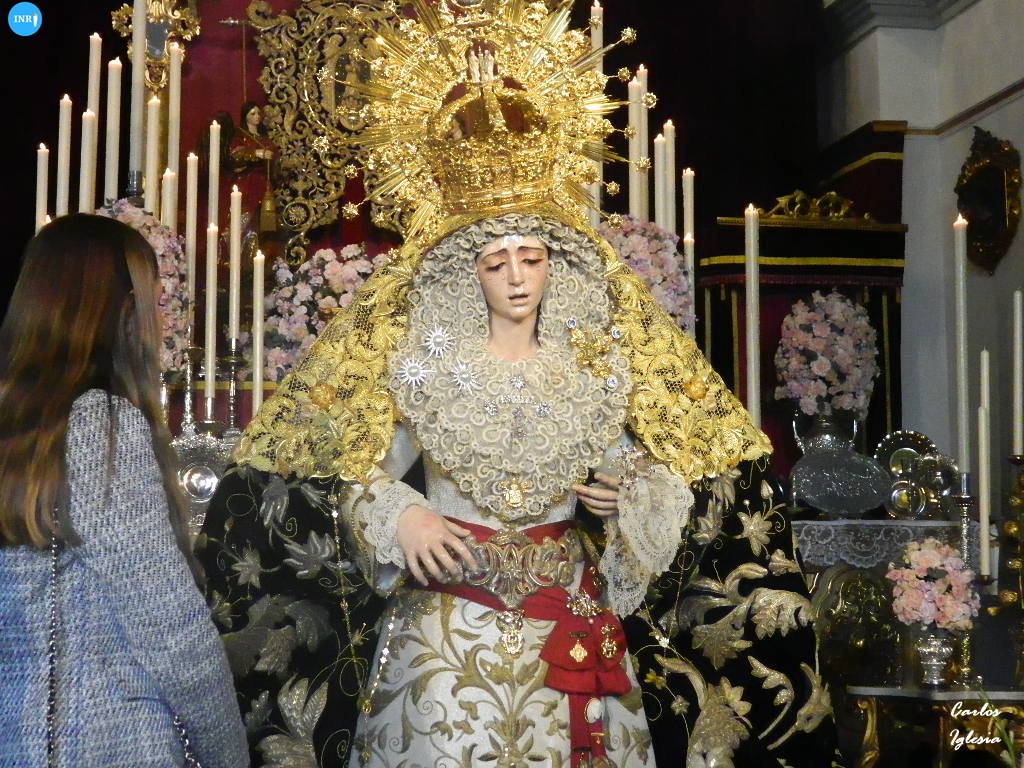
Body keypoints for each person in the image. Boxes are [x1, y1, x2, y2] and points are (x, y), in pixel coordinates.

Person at [196, 3, 843, 766]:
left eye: (531, 259)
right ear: (467, 272)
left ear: (554, 266)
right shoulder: (430, 369)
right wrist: (401, 515)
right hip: (444, 637)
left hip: (571, 625)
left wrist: (630, 492)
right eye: (495, 262)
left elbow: (640, 470)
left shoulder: (591, 369)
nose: (515, 279)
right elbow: (353, 468)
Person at [0, 214, 250, 768]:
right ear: (122, 311)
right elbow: (169, 628)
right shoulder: (97, 426)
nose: (164, 321)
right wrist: (229, 757)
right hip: (102, 741)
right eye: (156, 302)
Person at [227, 101, 276, 239]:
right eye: (252, 114)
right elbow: (236, 155)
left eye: (258, 113)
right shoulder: (240, 136)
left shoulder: (264, 138)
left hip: (263, 183)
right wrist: (257, 153)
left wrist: (271, 156)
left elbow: (274, 156)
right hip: (247, 181)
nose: (257, 116)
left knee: (260, 218)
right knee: (245, 213)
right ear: (245, 116)